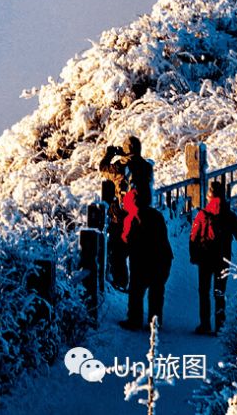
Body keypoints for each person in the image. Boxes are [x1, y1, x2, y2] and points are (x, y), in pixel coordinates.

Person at [189, 179, 237, 335]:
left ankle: (204, 324)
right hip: (223, 259)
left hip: (205, 259)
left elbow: (193, 237)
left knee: (204, 292)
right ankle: (220, 326)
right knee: (219, 293)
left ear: (209, 196)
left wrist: (194, 255)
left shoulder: (202, 214)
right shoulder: (229, 215)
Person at [120, 191, 173, 329]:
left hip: (141, 261)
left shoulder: (131, 219)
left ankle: (134, 320)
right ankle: (154, 322)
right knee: (156, 292)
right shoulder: (156, 215)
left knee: (136, 291)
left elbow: (126, 240)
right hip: (161, 259)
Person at [99, 145, 130, 291]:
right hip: (140, 216)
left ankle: (120, 283)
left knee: (117, 251)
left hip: (121, 216)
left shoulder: (119, 168)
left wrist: (110, 154)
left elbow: (102, 167)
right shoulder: (144, 167)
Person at [121, 136, 154, 208]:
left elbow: (103, 168)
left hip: (131, 206)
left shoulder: (125, 165)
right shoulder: (147, 165)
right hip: (145, 204)